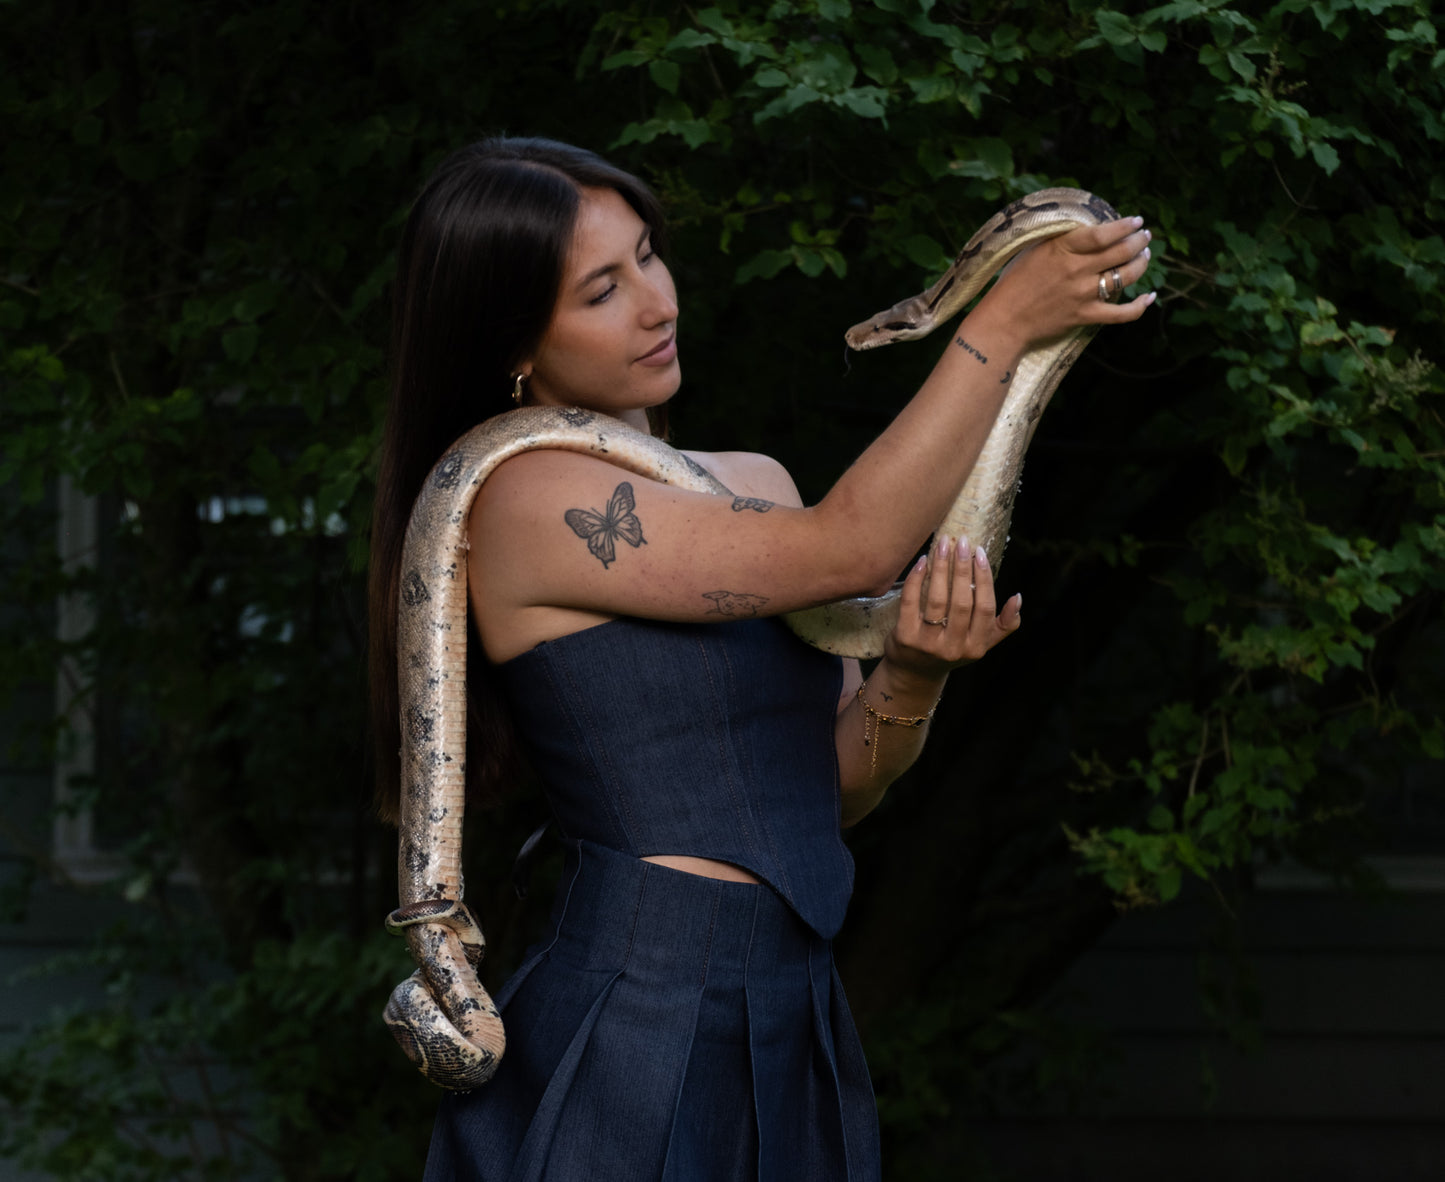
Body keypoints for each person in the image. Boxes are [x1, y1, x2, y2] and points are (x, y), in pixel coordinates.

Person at [370, 136, 1153, 1181]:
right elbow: (861, 546)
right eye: (603, 289)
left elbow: (825, 791)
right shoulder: (519, 504)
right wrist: (1002, 323)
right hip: (637, 1013)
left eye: (648, 255)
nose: (656, 302)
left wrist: (913, 674)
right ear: (515, 343)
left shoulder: (752, 484)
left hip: (792, 1006)